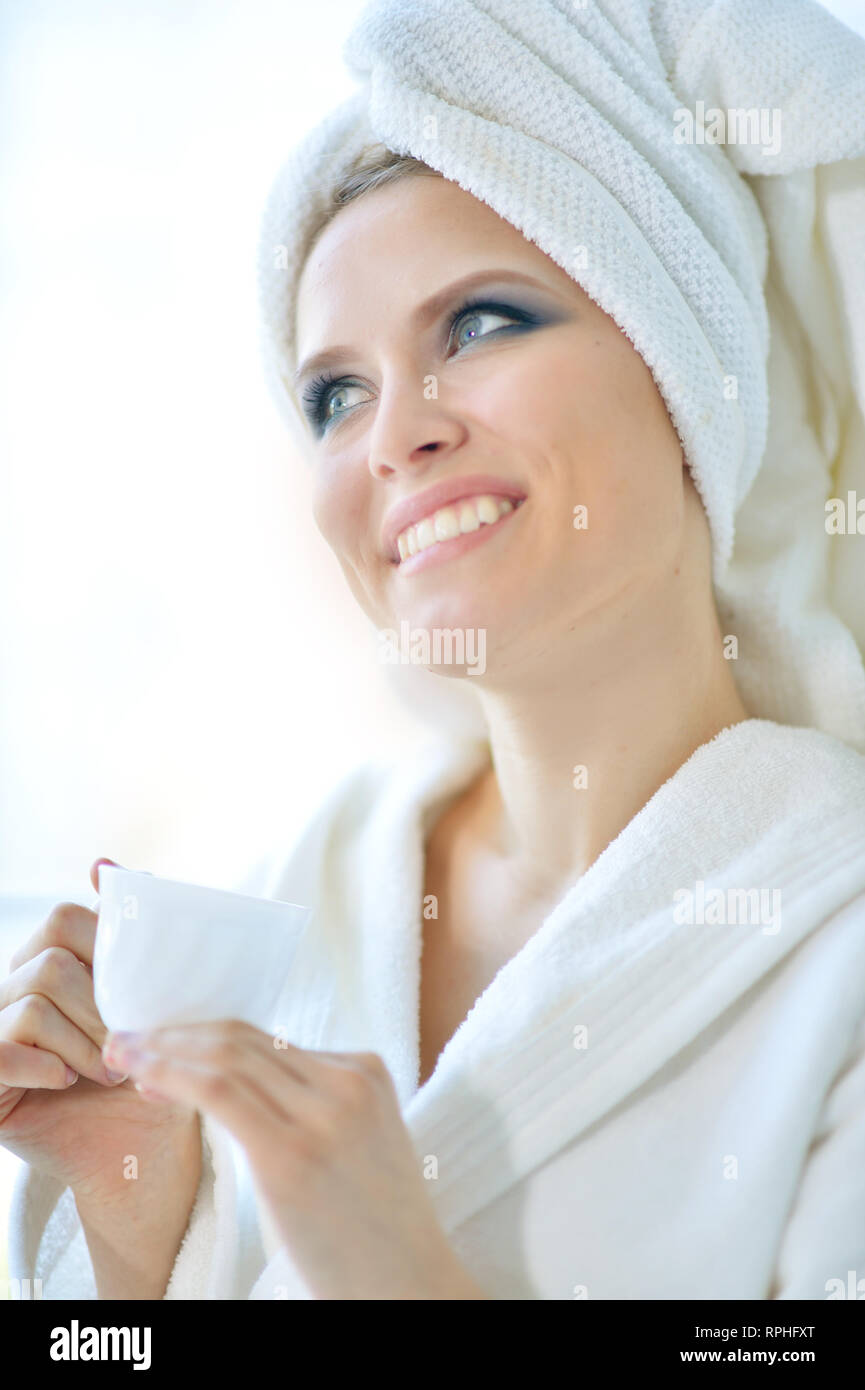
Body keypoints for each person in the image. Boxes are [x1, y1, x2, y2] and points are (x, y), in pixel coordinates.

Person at [4, 0, 865, 1300]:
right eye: (333, 394)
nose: (393, 433)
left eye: (480, 324)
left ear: (687, 371)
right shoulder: (299, 889)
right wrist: (136, 1237)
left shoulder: (834, 924)